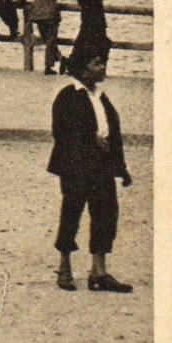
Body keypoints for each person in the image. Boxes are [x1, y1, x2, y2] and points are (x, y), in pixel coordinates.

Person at [48, 56, 134, 293]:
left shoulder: (101, 96)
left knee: (106, 214)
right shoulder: (67, 96)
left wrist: (121, 168)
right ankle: (64, 268)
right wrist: (90, 139)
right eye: (96, 64)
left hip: (102, 165)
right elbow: (60, 131)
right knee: (72, 214)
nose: (102, 67)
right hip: (75, 166)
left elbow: (114, 133)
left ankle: (99, 272)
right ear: (83, 71)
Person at [21, 0, 72, 75]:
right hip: (51, 15)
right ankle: (48, 67)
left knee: (46, 39)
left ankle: (61, 58)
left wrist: (22, 2)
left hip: (37, 15)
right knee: (50, 40)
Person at [65, 0, 110, 72]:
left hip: (91, 23)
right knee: (96, 45)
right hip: (95, 22)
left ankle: (76, 67)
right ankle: (93, 68)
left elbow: (83, 2)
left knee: (86, 45)